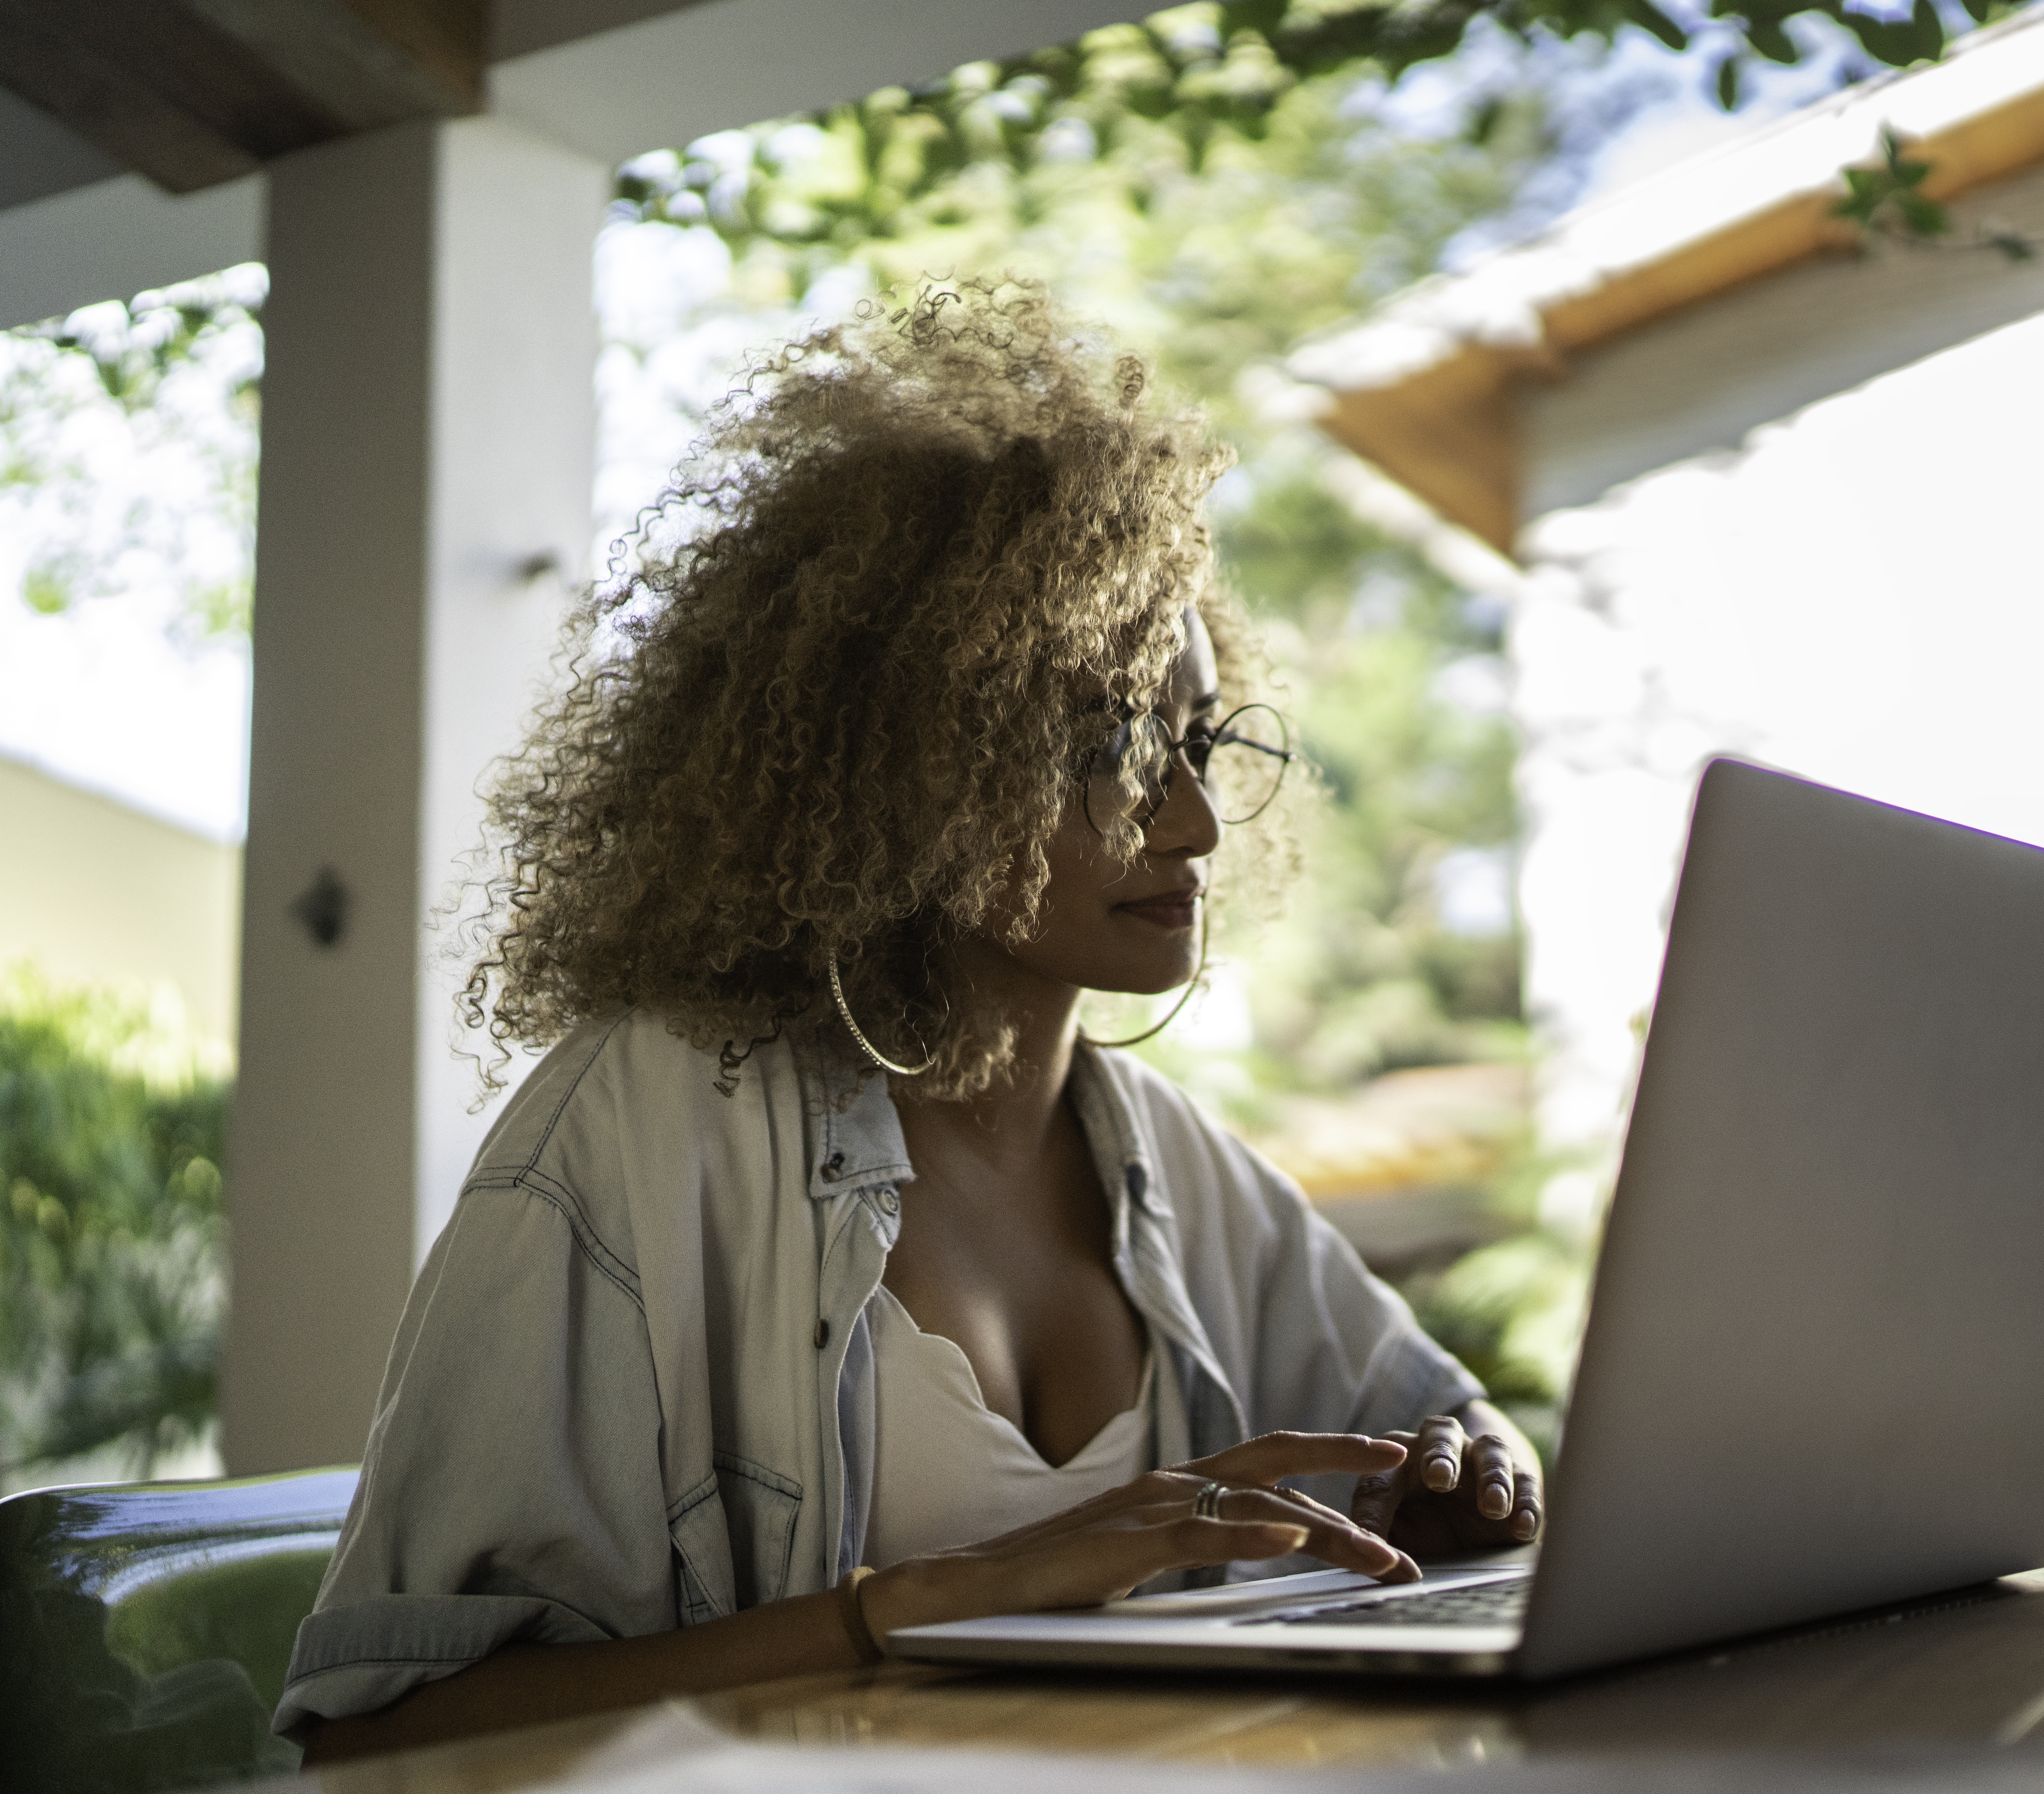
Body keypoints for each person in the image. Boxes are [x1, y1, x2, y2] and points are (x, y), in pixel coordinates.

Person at [280, 283, 1543, 1761]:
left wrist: (1480, 1477)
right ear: (899, 771)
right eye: (1109, 750)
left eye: (1195, 743)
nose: (1192, 820)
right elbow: (380, 1740)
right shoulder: (644, 1128)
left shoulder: (1177, 1166)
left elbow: (1454, 1433)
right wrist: (923, 1605)